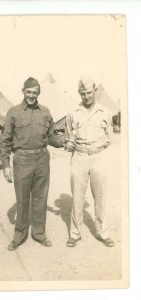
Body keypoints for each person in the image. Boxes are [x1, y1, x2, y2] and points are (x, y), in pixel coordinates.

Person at [0, 77, 64, 251]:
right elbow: (4, 140)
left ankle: (39, 234)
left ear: (39, 93)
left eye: (35, 92)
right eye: (28, 92)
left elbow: (51, 137)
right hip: (22, 160)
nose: (31, 96)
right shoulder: (13, 112)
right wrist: (6, 165)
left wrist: (63, 141)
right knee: (22, 200)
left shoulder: (46, 112)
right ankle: (19, 236)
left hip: (42, 160)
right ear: (23, 91)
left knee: (41, 198)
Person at [65, 76, 115, 247]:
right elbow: (69, 135)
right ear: (79, 94)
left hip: (98, 157)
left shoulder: (105, 112)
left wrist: (97, 150)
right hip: (79, 157)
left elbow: (109, 137)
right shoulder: (73, 113)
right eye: (82, 93)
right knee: (77, 197)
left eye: (89, 92)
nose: (86, 96)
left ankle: (102, 232)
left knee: (100, 197)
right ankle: (75, 233)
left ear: (95, 90)